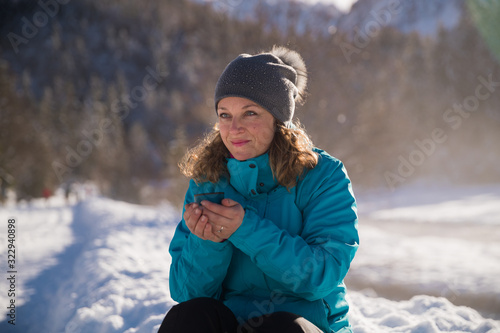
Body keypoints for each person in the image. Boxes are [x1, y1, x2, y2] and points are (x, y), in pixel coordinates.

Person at [159, 46, 359, 333]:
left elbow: (320, 276)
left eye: (250, 113)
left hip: (304, 323)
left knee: (281, 328)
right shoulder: (209, 180)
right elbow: (185, 292)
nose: (234, 128)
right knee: (188, 316)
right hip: (233, 323)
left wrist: (245, 228)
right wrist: (207, 242)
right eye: (224, 115)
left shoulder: (323, 175)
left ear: (279, 121)